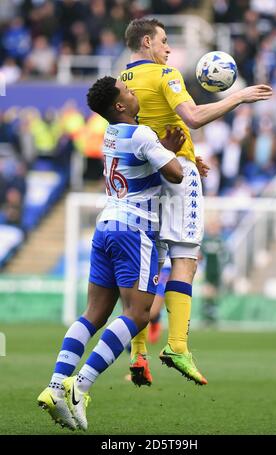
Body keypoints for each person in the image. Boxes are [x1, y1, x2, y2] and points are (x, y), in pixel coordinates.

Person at [122, 18, 272, 386]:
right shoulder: (165, 74)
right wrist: (237, 96)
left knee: (151, 265)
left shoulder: (120, 83)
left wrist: (184, 150)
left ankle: (138, 353)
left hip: (145, 176)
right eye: (164, 40)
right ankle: (176, 345)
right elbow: (192, 116)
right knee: (186, 257)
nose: (168, 48)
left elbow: (145, 130)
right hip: (176, 176)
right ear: (147, 42)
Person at [37, 76, 185, 431]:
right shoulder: (141, 135)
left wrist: (158, 147)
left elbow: (140, 159)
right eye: (129, 92)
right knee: (139, 314)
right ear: (119, 105)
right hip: (136, 230)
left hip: (107, 226)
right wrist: (170, 152)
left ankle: (56, 385)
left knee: (93, 313)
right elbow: (177, 174)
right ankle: (81, 386)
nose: (134, 94)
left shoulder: (110, 134)